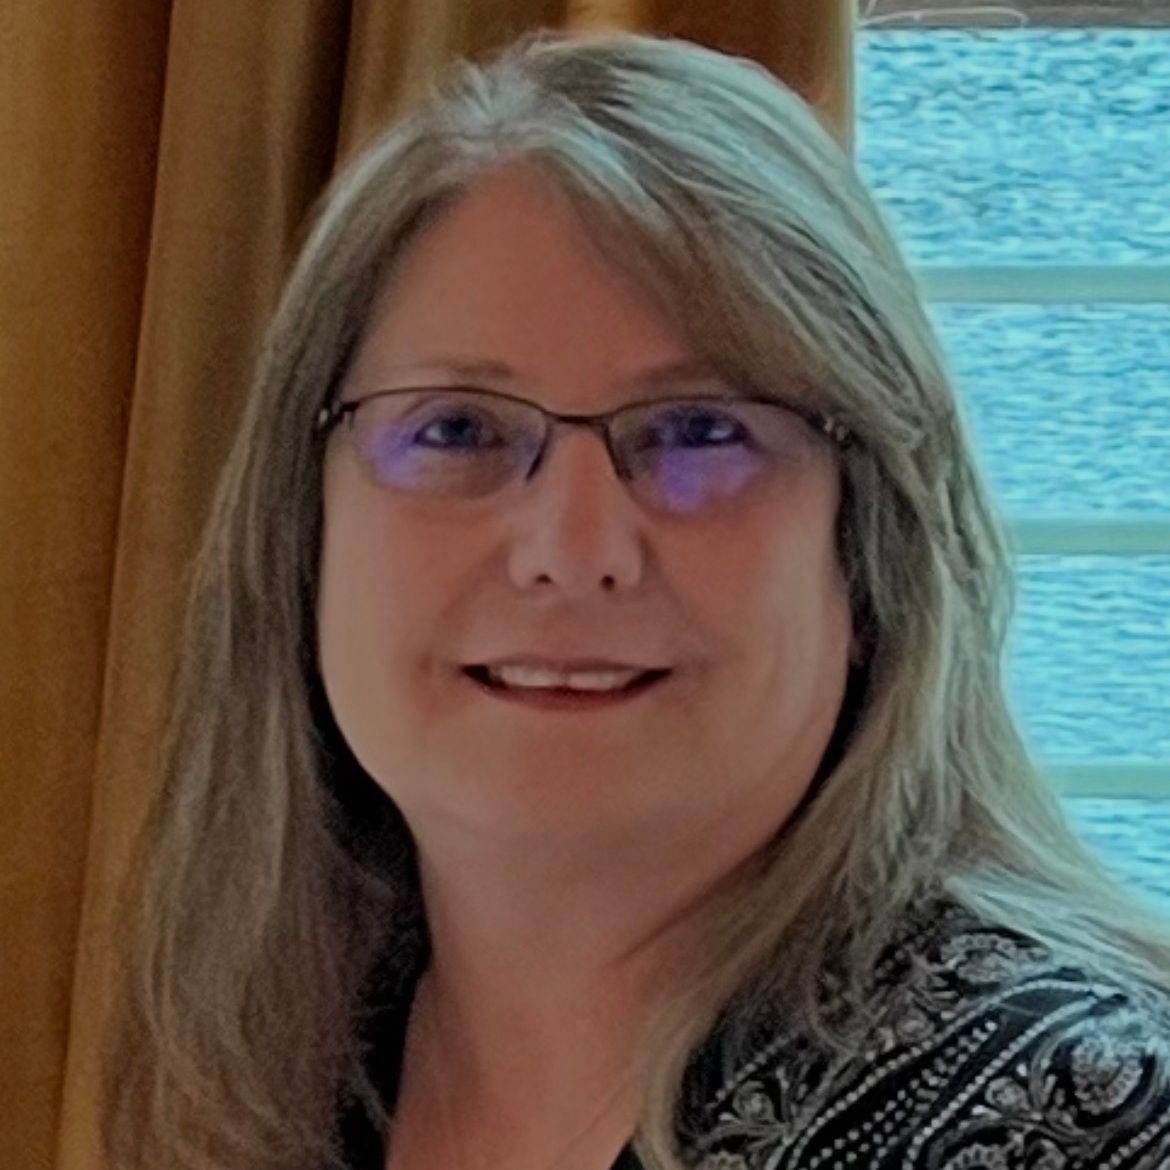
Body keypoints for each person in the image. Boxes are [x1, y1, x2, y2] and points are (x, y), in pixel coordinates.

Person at [100, 27, 1170, 1170]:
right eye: (457, 428)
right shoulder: (283, 1064)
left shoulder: (1076, 1120)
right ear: (300, 534)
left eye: (700, 432)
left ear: (869, 554)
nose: (570, 549)